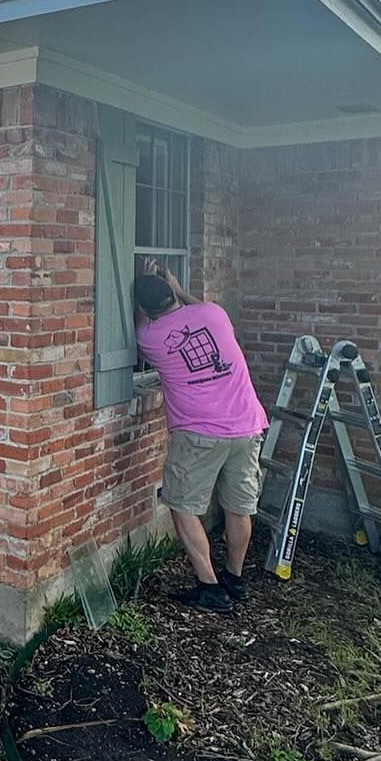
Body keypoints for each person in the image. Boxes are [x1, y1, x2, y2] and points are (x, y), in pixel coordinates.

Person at [133, 263, 270, 614]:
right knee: (239, 506)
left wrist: (134, 296)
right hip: (247, 425)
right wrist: (178, 288)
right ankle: (234, 578)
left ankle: (209, 588)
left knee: (182, 505)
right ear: (173, 295)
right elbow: (196, 307)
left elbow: (139, 325)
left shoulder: (150, 337)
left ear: (147, 308)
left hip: (199, 434)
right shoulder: (214, 314)